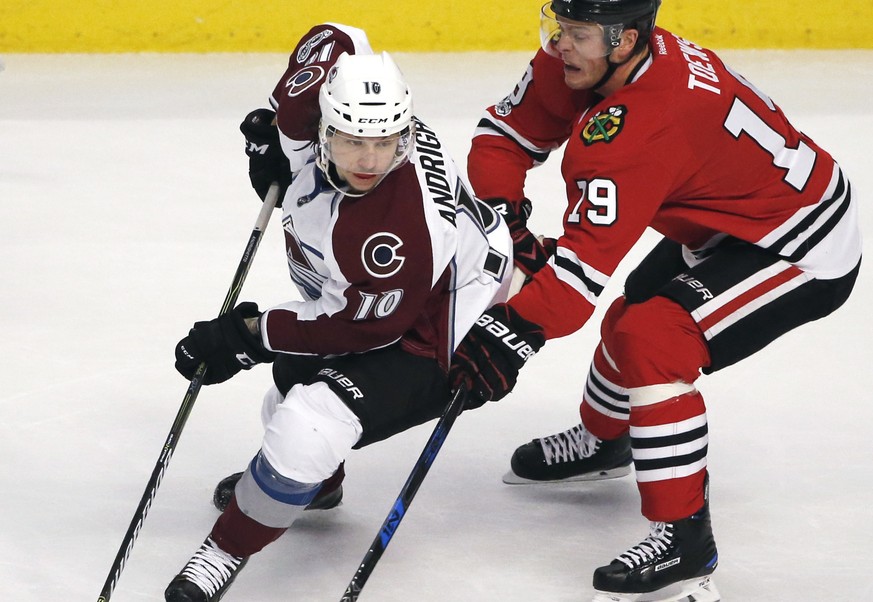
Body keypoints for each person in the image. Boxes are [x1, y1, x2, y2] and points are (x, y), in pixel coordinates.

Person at [449, 1, 862, 600]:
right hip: (726, 220)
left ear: (625, 41)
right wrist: (507, 221)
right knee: (633, 313)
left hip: (799, 243)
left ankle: (685, 543)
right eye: (557, 24)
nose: (559, 44)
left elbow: (570, 291)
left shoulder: (641, 127)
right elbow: (503, 138)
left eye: (578, 33)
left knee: (653, 338)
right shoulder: (592, 61)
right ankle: (605, 439)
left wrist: (505, 333)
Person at [165, 23, 512, 601]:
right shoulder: (314, 110)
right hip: (402, 290)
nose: (371, 159)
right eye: (352, 141)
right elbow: (340, 35)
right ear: (324, 124)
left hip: (447, 319)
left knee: (306, 422)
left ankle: (223, 551)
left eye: (386, 143)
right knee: (288, 387)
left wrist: (247, 335)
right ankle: (318, 485)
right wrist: (282, 142)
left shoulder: (394, 230)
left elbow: (362, 324)